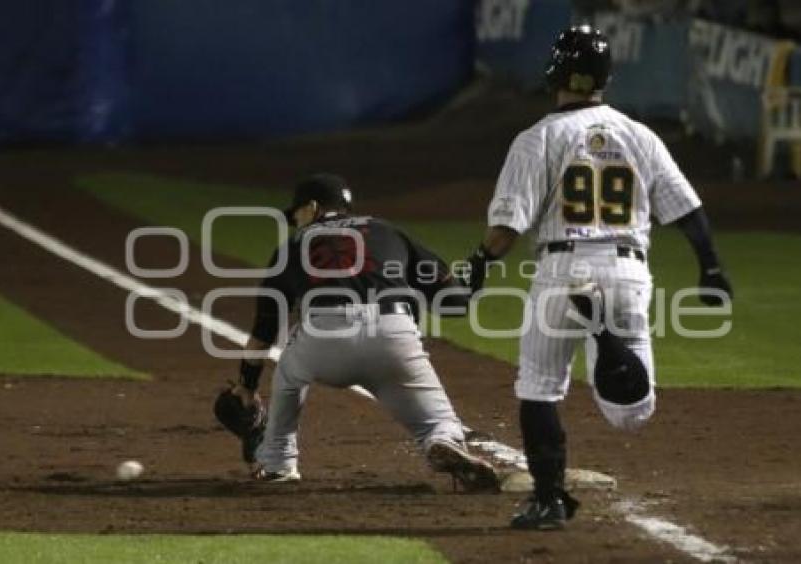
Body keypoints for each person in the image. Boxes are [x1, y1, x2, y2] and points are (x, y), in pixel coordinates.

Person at [460, 25, 733, 529]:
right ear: (605, 77)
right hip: (628, 271)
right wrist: (711, 268)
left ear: (556, 73)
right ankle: (608, 339)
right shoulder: (640, 135)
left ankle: (548, 500)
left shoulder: (538, 138)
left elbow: (506, 227)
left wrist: (474, 269)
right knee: (632, 414)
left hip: (562, 271)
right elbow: (688, 211)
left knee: (539, 387)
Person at [213, 173, 499, 492]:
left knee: (289, 370)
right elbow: (454, 303)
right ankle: (441, 439)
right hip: (393, 333)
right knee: (439, 418)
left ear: (312, 206)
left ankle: (278, 461)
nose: (294, 221)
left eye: (296, 214)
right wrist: (476, 272)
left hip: (323, 340)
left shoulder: (292, 245)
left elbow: (264, 329)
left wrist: (247, 386)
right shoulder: (386, 231)